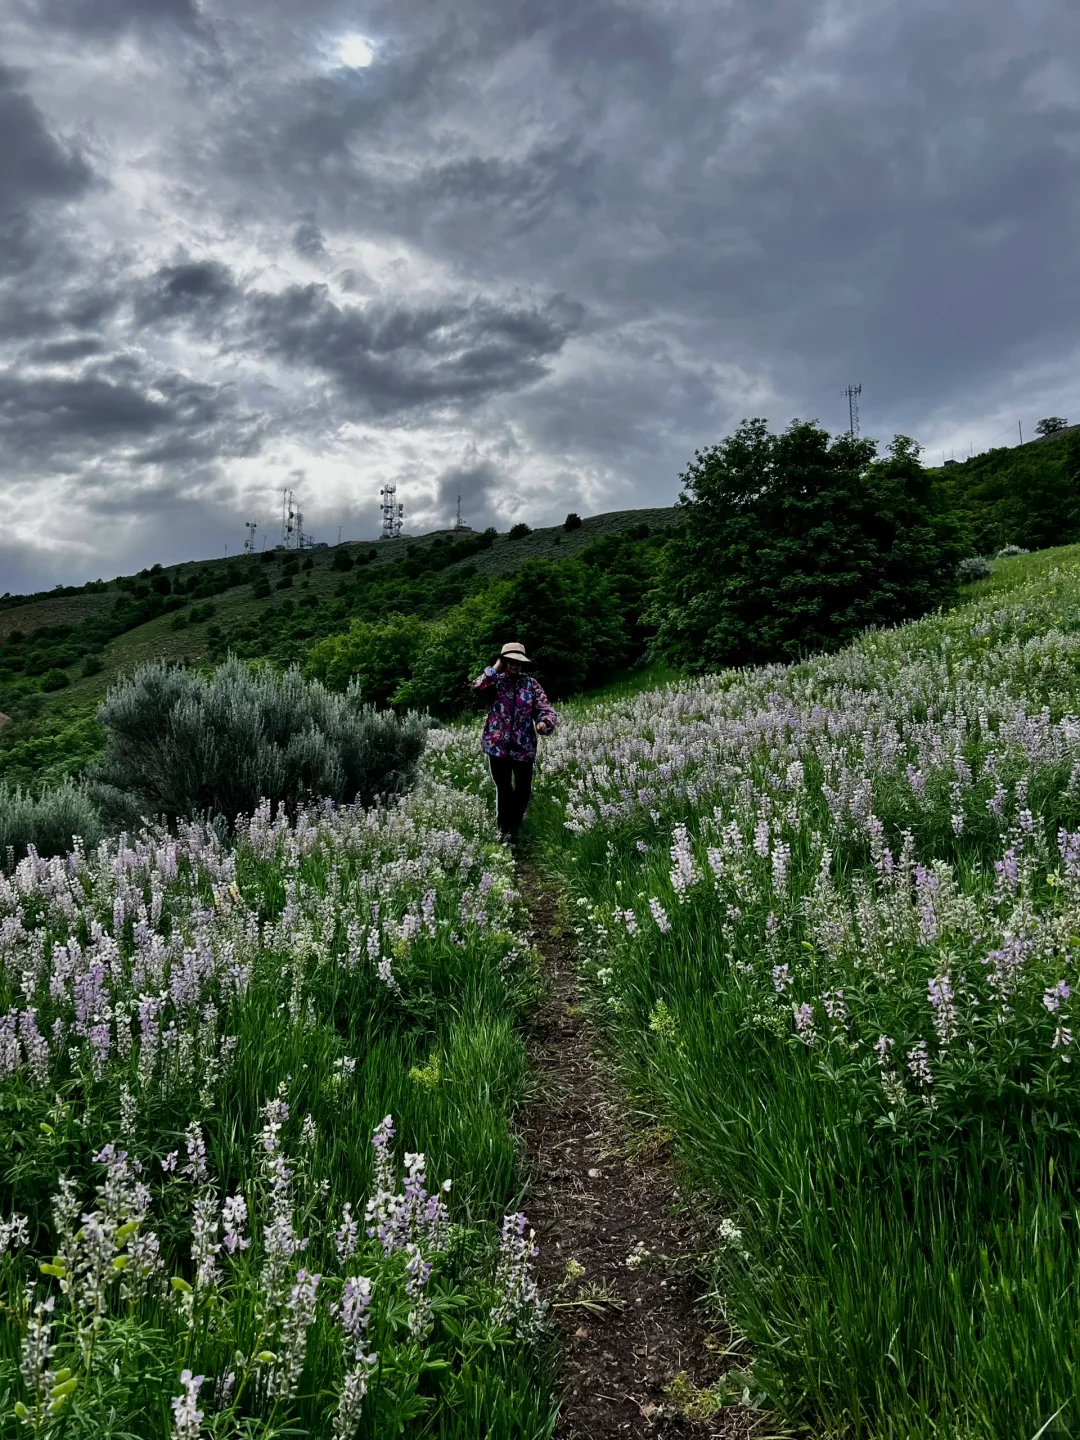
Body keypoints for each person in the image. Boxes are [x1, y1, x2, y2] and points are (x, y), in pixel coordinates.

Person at [473, 641, 558, 841]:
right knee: (503, 789)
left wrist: (544, 723)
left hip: (524, 746)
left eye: (518, 662)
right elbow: (477, 686)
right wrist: (494, 669)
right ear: (504, 661)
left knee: (523, 790)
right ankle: (504, 831)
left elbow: (545, 708)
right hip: (497, 746)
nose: (515, 665)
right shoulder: (495, 682)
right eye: (510, 661)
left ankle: (515, 827)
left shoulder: (531, 684)